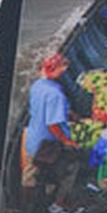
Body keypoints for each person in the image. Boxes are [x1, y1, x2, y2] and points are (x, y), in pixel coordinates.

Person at [20, 51, 79, 190]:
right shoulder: (56, 94)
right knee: (69, 168)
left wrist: (68, 113)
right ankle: (59, 203)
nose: (64, 72)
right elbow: (53, 124)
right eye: (62, 69)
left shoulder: (37, 86)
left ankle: (28, 195)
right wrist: (67, 141)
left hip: (32, 139)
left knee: (29, 175)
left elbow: (44, 107)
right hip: (46, 145)